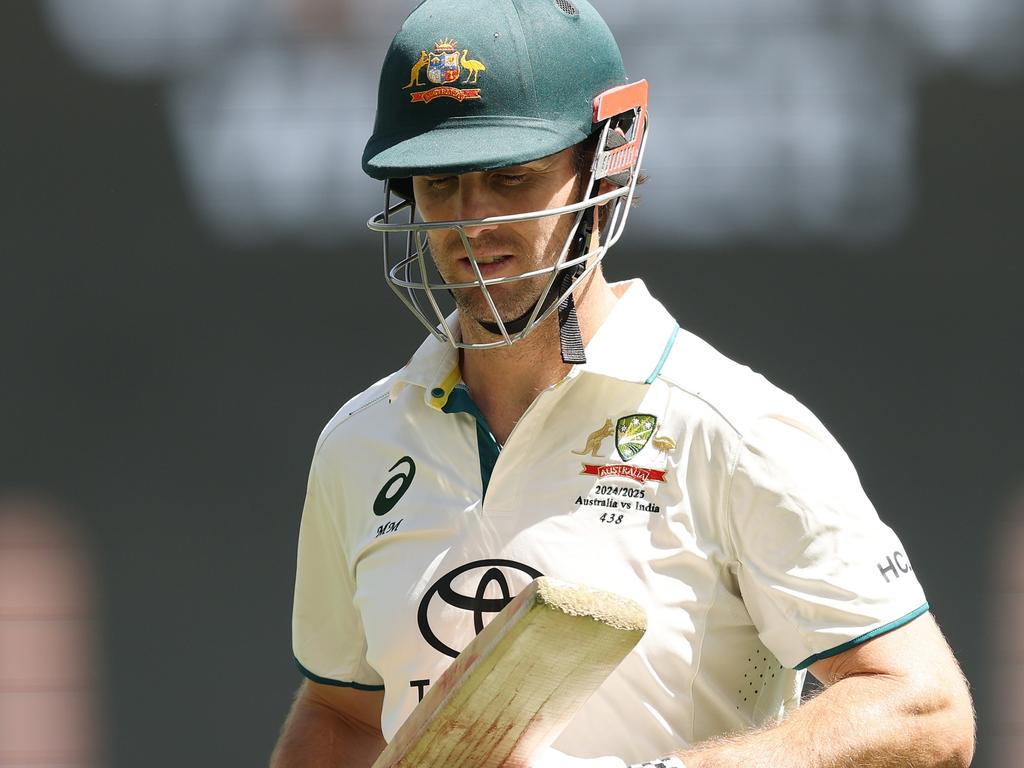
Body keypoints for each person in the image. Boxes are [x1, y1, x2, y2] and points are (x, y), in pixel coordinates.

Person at [270, 1, 975, 766]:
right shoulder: (361, 442)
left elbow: (924, 707)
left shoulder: (729, 427)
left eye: (512, 178)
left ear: (607, 163)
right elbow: (342, 715)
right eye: (439, 185)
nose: (470, 224)